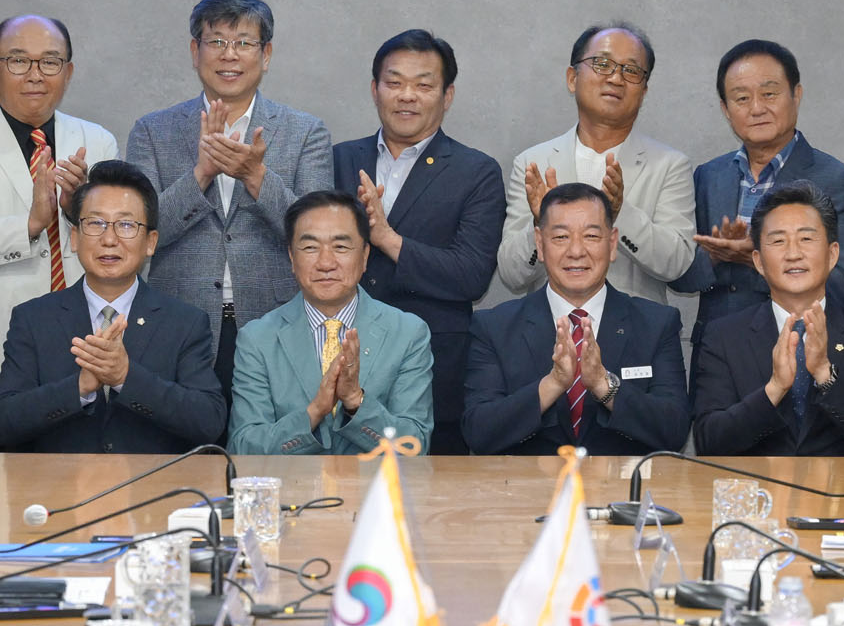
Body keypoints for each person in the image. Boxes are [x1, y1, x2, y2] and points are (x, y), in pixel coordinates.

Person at [125, 0, 334, 397]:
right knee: (184, 434)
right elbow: (141, 234)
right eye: (217, 41)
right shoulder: (152, 131)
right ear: (195, 51)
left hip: (275, 320)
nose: (229, 55)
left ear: (266, 54)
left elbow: (317, 236)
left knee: (272, 436)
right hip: (178, 321)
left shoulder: (306, 132)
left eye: (243, 43)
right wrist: (201, 174)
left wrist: (256, 177)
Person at [332, 30, 504, 455]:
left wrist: (388, 240)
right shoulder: (338, 159)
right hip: (338, 361)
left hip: (433, 372)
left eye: (423, 85)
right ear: (374, 89)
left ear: (447, 96)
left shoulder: (476, 171)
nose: (407, 95)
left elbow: (472, 276)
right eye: (394, 82)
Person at [0, 160, 227, 454]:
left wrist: (126, 377)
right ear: (75, 238)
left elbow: (209, 421)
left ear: (150, 242)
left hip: (155, 480)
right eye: (96, 223)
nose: (109, 239)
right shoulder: (33, 319)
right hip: (59, 482)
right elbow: (2, 423)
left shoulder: (185, 322)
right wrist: (78, 388)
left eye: (126, 225)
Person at [0, 14, 118, 363]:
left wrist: (75, 209)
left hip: (84, 325)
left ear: (68, 72)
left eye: (50, 62)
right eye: (18, 61)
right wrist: (29, 226)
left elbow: (119, 240)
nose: (35, 74)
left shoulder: (98, 141)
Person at [464, 182, 689, 458]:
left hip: (622, 483)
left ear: (612, 243)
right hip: (527, 483)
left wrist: (604, 386)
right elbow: (479, 432)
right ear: (540, 244)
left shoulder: (656, 323)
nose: (576, 251)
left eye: (591, 236)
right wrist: (553, 384)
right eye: (561, 237)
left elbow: (674, 431)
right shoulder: (495, 326)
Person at [671, 39, 844, 351]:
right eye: (742, 98)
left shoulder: (834, 179)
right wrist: (715, 256)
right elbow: (680, 277)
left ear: (796, 95)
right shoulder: (708, 176)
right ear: (726, 109)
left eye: (769, 94)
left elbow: (843, 286)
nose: (757, 108)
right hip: (717, 352)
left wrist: (755, 259)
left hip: (799, 346)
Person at [691, 183, 844, 458]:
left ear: (833, 254)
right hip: (756, 484)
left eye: (806, 239)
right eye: (778, 241)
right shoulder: (723, 336)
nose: (793, 254)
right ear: (759, 262)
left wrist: (825, 374)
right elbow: (709, 442)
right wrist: (774, 389)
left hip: (841, 485)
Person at [498, 23, 694, 311]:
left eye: (631, 70)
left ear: (643, 91)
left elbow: (676, 264)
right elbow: (511, 274)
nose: (615, 78)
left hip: (635, 329)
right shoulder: (533, 162)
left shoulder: (670, 165)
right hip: (550, 328)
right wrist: (540, 222)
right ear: (572, 78)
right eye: (602, 64)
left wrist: (620, 212)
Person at [229, 192, 434, 455]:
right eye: (310, 248)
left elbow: (415, 447)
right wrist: (313, 413)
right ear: (291, 257)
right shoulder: (258, 338)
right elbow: (243, 447)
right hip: (291, 482)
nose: (326, 263)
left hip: (375, 481)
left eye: (340, 247)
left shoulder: (407, 333)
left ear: (365, 256)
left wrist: (355, 401)